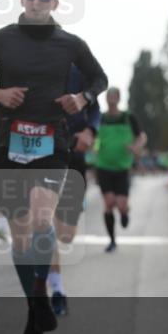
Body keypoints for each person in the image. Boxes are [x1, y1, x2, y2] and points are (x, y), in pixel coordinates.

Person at [0, 0, 107, 334]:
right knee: (21, 230)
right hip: (9, 140)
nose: (37, 1)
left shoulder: (70, 43)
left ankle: (39, 292)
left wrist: (82, 99)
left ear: (55, 3)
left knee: (43, 217)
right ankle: (34, 302)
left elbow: (99, 79)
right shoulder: (1, 39)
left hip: (51, 141)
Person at [49, 65, 101, 316]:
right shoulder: (29, 66)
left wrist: (90, 131)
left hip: (74, 152)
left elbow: (95, 108)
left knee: (65, 234)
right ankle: (57, 290)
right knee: (44, 224)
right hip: (44, 151)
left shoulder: (78, 72)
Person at [95, 88, 147, 252]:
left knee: (121, 205)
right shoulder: (101, 118)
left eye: (113, 97)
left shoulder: (128, 117)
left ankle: (124, 213)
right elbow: (93, 137)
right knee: (109, 203)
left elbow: (141, 136)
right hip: (103, 166)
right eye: (108, 96)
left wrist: (135, 147)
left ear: (118, 99)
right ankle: (112, 240)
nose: (111, 99)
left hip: (122, 168)